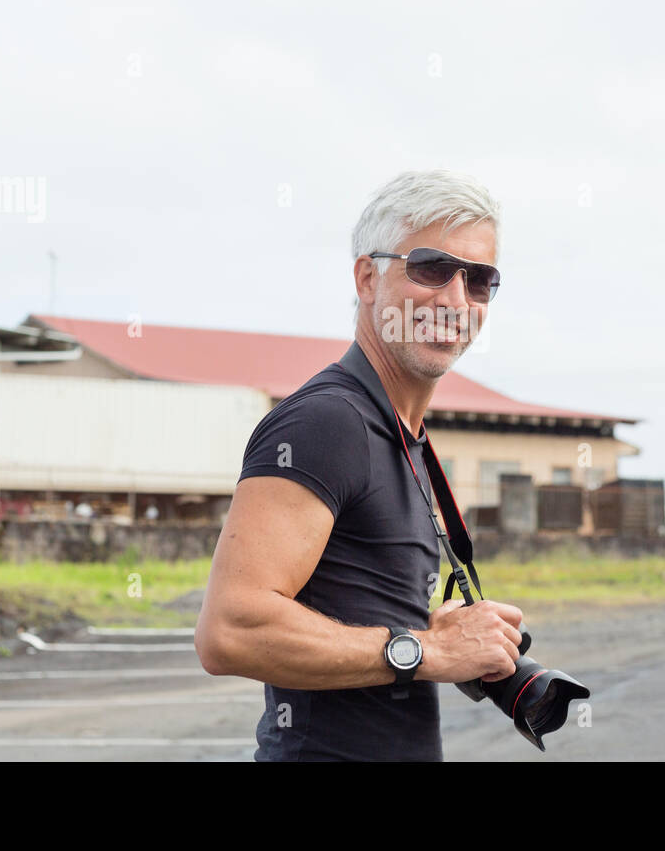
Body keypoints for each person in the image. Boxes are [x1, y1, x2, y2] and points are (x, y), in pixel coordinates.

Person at [194, 169, 525, 761]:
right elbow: (229, 631)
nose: (454, 299)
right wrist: (424, 651)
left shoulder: (401, 434)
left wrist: (448, 636)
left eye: (478, 280)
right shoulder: (327, 423)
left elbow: (356, 605)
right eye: (430, 268)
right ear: (367, 277)